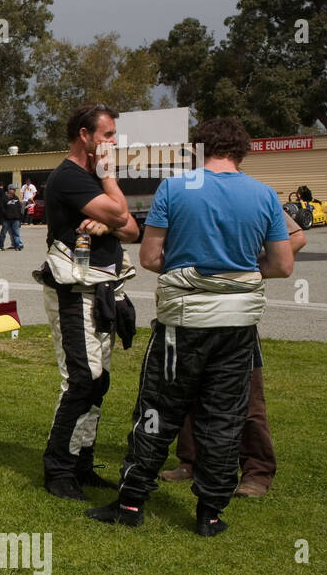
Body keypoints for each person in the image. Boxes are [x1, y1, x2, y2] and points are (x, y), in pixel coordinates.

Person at [87, 117, 295, 536]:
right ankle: (210, 514)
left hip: (184, 323)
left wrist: (189, 266)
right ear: (241, 150)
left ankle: (130, 503)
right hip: (238, 325)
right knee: (225, 416)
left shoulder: (176, 188)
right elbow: (282, 264)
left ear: (197, 148)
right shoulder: (264, 195)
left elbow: (149, 258)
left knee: (156, 412)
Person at [157, 212, 306, 498]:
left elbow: (296, 237)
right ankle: (191, 461)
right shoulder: (182, 193)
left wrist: (250, 269)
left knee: (247, 395)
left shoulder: (251, 194)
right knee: (187, 390)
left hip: (235, 313)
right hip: (189, 308)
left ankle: (257, 471)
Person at [37, 103, 140, 502]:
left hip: (105, 290)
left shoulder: (95, 179)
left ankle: (81, 461)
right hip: (74, 291)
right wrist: (111, 191)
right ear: (85, 135)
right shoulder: (69, 177)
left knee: (99, 380)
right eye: (108, 135)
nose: (113, 142)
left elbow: (130, 227)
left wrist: (110, 218)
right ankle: (58, 468)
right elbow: (121, 212)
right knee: (81, 379)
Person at [0, 186, 24, 251]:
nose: (14, 191)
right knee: (3, 233)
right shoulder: (4, 198)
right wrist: (6, 214)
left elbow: (19, 207)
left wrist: (19, 216)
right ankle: (0, 246)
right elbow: (1, 208)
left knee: (16, 233)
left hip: (15, 219)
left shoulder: (16, 197)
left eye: (15, 189)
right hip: (6, 219)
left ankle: (17, 246)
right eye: (13, 189)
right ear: (9, 190)